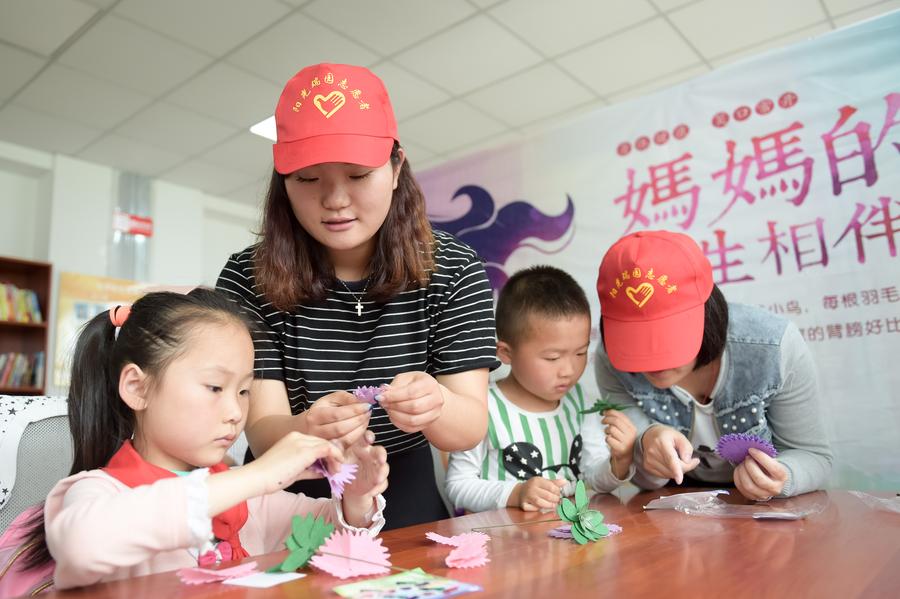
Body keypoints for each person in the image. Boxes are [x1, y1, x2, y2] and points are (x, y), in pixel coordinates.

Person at [216, 63, 498, 528]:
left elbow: (469, 427)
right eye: (308, 179)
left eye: (358, 175)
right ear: (282, 181)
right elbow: (265, 430)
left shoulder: (453, 268)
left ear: (395, 167)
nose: (335, 200)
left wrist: (437, 406)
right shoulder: (250, 276)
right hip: (285, 488)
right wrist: (305, 428)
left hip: (402, 484)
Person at [17, 289, 388, 590]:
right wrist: (258, 474)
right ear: (136, 388)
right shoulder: (97, 491)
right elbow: (83, 544)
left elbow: (326, 535)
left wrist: (356, 497)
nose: (235, 411)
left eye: (244, 391)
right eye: (215, 387)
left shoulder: (246, 499)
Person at [594, 230, 832, 500]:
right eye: (633, 340)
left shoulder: (772, 348)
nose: (654, 359)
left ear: (707, 313)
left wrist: (782, 476)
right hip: (672, 510)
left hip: (763, 510)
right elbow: (644, 477)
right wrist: (646, 443)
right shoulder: (609, 358)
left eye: (668, 338)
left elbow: (814, 456)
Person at [445, 266, 636, 513]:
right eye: (552, 358)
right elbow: (458, 486)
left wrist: (618, 463)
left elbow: (592, 479)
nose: (568, 369)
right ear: (505, 353)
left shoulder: (581, 400)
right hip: (506, 543)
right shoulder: (483, 407)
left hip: (567, 543)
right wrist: (515, 493)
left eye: (580, 352)